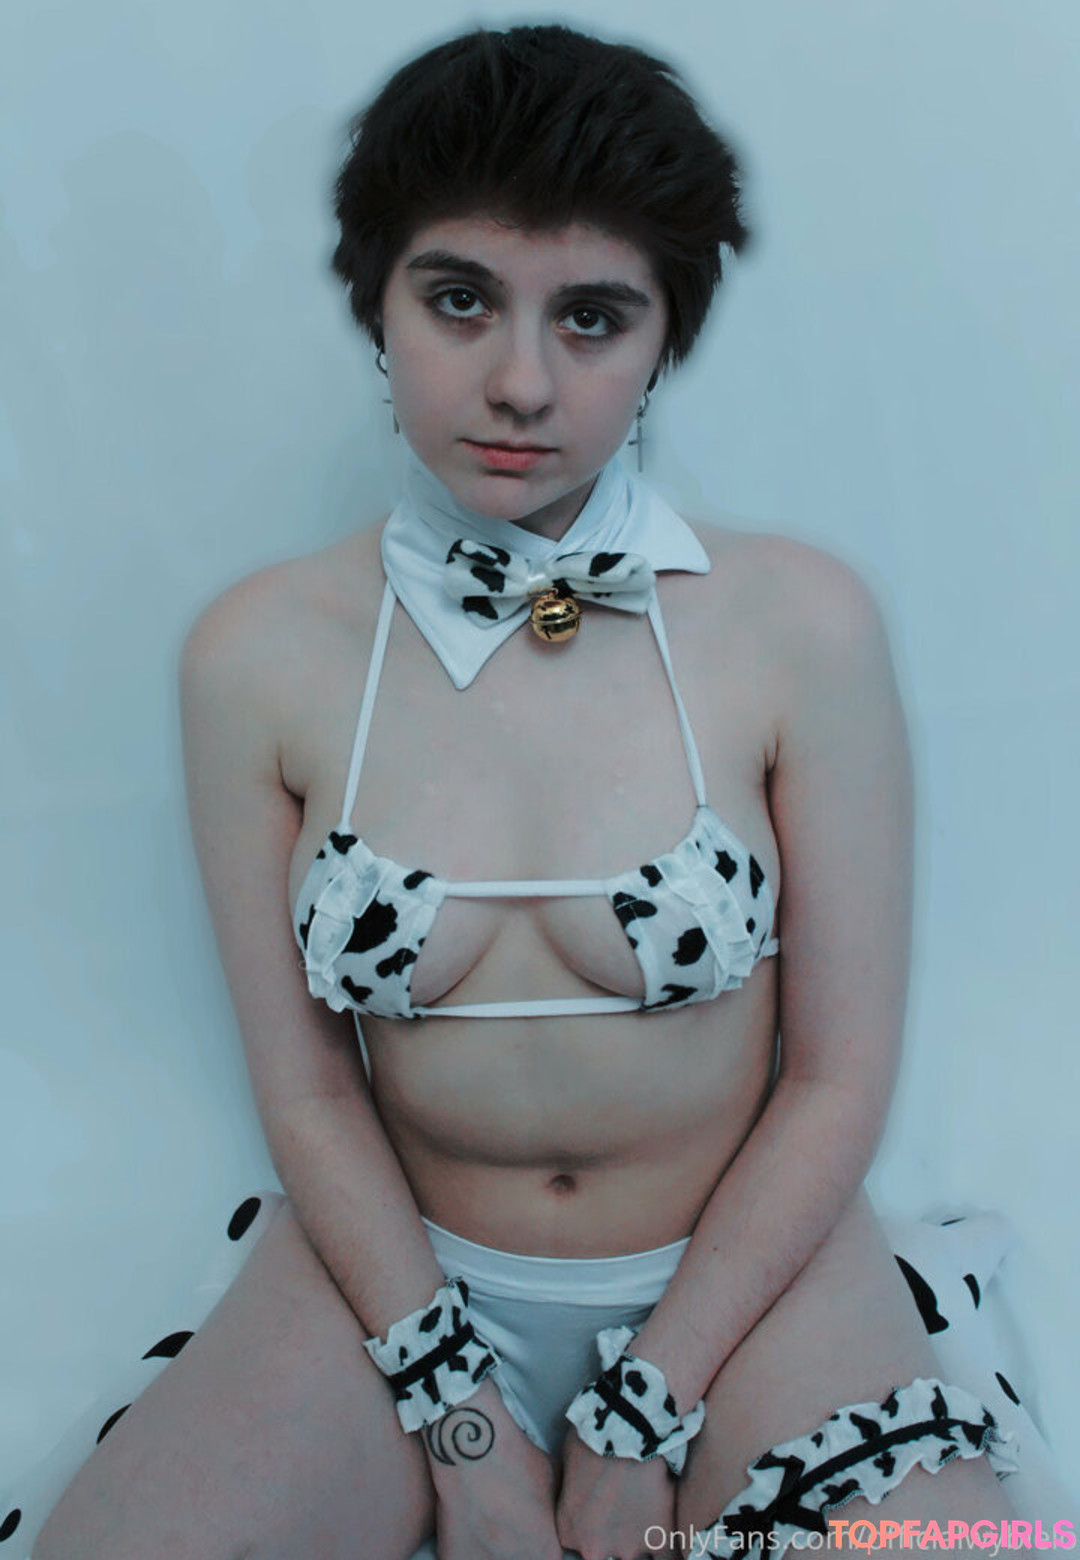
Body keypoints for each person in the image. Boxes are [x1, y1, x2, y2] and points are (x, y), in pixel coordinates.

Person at [31, 22, 1025, 1560]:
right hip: (400, 1279)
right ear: (376, 302)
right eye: (459, 300)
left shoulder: (802, 626)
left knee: (958, 1559)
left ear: (665, 337)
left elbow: (837, 1074)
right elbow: (309, 1092)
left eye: (593, 317)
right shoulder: (255, 655)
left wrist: (649, 1410)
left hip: (749, 1282)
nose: (518, 382)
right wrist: (459, 1417)